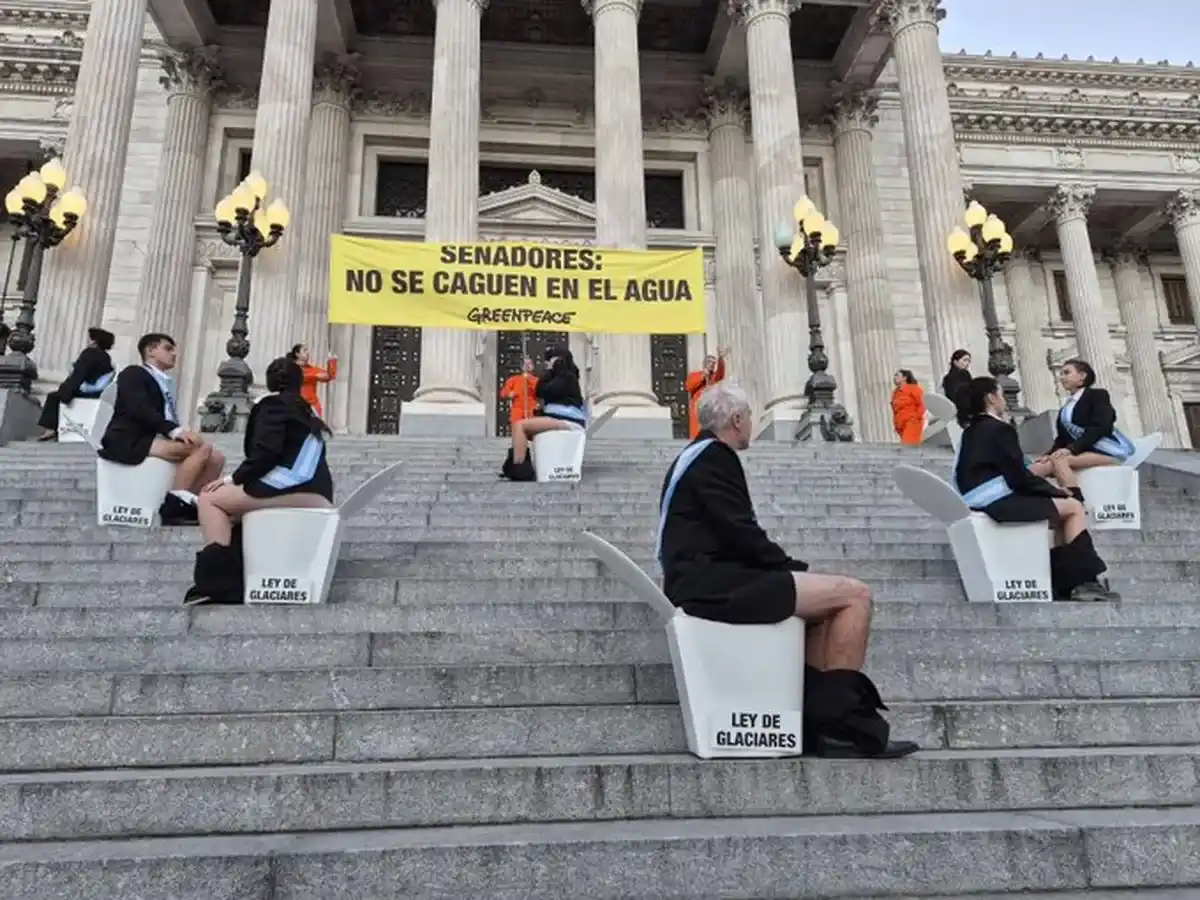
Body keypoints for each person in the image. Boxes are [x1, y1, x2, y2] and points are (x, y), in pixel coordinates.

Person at [657, 381, 918, 758]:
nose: (750, 424)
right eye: (748, 417)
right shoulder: (716, 457)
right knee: (854, 595)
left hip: (706, 578)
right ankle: (845, 726)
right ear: (735, 419)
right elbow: (741, 533)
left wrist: (793, 573)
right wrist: (793, 569)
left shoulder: (696, 454)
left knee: (821, 610)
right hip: (712, 586)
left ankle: (818, 725)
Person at [953, 375, 1118, 603]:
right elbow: (1019, 478)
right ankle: (1085, 581)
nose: (1004, 400)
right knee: (1073, 508)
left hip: (981, 499)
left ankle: (1066, 583)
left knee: (1062, 514)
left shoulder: (971, 430)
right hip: (999, 502)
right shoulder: (1000, 429)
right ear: (991, 398)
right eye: (1001, 394)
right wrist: (1058, 492)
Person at [185, 357, 335, 605]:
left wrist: (232, 478)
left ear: (269, 381)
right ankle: (240, 573)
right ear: (300, 383)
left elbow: (265, 453)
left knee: (210, 499)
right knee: (233, 508)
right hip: (317, 490)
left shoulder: (272, 406)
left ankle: (217, 584)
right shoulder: (306, 411)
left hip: (294, 487)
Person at [98, 333, 225, 526]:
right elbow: (137, 407)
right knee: (200, 448)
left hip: (154, 437)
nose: (174, 354)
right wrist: (175, 431)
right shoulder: (133, 373)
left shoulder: (165, 381)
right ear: (150, 351)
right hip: (129, 438)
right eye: (167, 348)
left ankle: (193, 503)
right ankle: (173, 505)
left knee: (217, 458)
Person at [1028, 358, 1134, 500]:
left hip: (1107, 451)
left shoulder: (1097, 395)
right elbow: (1062, 438)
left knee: (1061, 461)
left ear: (1082, 376)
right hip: (1080, 453)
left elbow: (1102, 426)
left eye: (1067, 373)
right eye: (1061, 373)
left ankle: (1077, 502)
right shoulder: (1066, 406)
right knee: (1034, 470)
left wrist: (1071, 449)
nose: (1062, 377)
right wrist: (1048, 454)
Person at [501, 346, 586, 481]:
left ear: (559, 360)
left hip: (569, 422)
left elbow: (550, 390)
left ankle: (519, 468)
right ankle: (519, 464)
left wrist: (557, 367)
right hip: (558, 420)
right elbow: (540, 391)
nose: (546, 363)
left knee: (520, 426)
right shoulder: (557, 377)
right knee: (521, 431)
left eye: (549, 359)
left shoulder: (568, 377)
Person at [36, 326, 115, 441]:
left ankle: (51, 429)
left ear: (94, 341)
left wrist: (66, 391)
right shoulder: (106, 357)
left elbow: (79, 374)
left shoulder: (89, 353)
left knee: (53, 397)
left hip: (84, 391)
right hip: (97, 393)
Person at [286, 343, 337, 418]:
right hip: (295, 405)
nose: (308, 353)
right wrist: (313, 376)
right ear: (297, 354)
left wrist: (332, 362)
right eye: (304, 350)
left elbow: (328, 376)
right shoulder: (290, 368)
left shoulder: (312, 369)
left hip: (312, 406)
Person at [685, 350, 726, 439]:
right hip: (698, 410)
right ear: (704, 364)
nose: (712, 364)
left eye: (714, 363)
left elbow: (720, 374)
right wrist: (703, 376)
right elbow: (689, 386)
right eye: (709, 362)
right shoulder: (694, 375)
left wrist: (721, 360)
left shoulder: (714, 378)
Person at [499, 357, 539, 430]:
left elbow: (538, 389)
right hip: (517, 410)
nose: (527, 366)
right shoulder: (514, 379)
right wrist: (510, 393)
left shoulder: (535, 380)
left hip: (531, 410)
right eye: (526, 364)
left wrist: (528, 378)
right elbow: (503, 392)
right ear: (522, 366)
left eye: (529, 364)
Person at [890, 369, 926, 446]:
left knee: (908, 445)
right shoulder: (895, 392)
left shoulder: (914, 388)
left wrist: (916, 417)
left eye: (897, 375)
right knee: (906, 445)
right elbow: (894, 409)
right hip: (900, 424)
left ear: (904, 378)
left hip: (912, 421)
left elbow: (922, 403)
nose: (894, 377)